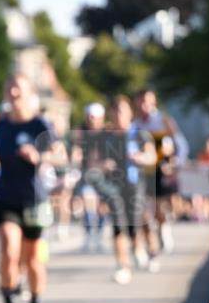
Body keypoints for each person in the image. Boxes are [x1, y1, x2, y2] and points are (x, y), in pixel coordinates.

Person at [0, 74, 55, 303]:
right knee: (9, 250)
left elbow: (57, 153)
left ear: (29, 92)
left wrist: (38, 156)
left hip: (34, 198)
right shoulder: (0, 127)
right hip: (5, 196)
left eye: (18, 86)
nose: (12, 91)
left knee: (32, 259)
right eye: (8, 86)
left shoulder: (39, 124)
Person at [94, 96, 157, 283]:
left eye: (121, 111)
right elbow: (93, 162)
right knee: (118, 226)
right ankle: (123, 265)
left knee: (138, 221)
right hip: (114, 187)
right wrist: (102, 165)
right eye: (114, 111)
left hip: (136, 184)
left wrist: (141, 158)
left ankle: (149, 250)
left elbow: (152, 157)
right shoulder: (105, 137)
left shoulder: (139, 134)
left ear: (130, 112)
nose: (118, 115)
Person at [131, 88, 188, 254]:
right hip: (142, 169)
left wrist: (176, 163)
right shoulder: (135, 124)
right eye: (141, 101)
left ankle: (163, 227)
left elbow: (181, 145)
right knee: (144, 206)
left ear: (153, 102)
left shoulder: (164, 121)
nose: (144, 105)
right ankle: (150, 236)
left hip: (161, 167)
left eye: (147, 100)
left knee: (160, 204)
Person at [71, 103, 108, 253]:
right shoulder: (80, 131)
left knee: (102, 207)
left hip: (104, 175)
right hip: (86, 174)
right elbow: (76, 149)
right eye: (89, 117)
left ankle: (99, 234)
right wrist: (75, 161)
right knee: (87, 201)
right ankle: (88, 235)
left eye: (94, 117)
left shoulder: (107, 132)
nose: (91, 120)